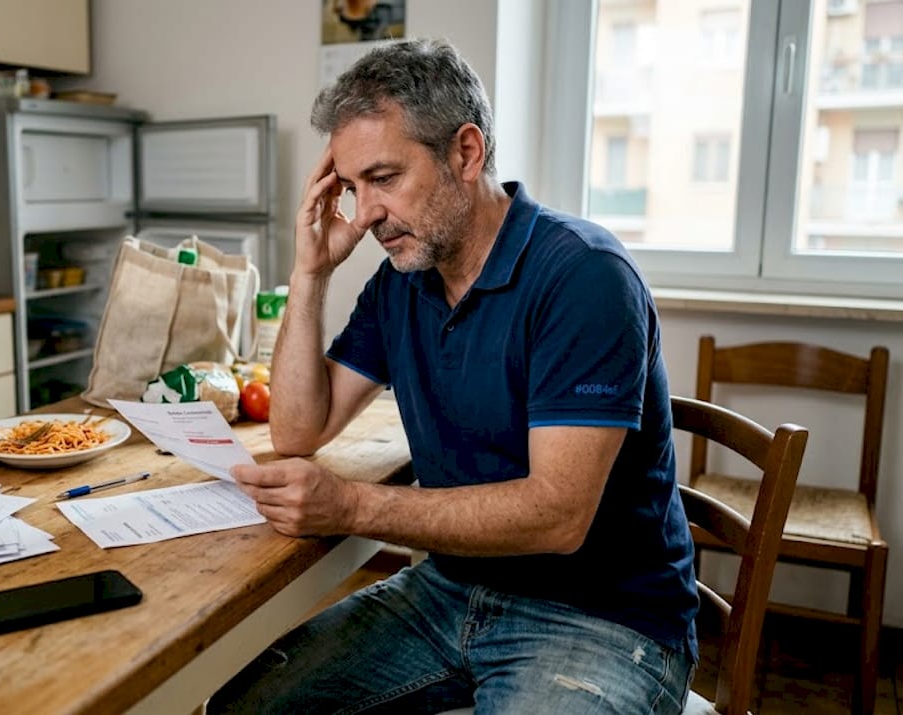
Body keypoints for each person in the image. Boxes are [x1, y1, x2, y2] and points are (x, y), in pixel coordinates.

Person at [209, 38, 698, 714]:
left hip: (602, 619)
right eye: (351, 188)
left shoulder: (585, 276)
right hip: (450, 591)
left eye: (383, 177)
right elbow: (298, 428)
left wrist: (353, 506)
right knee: (245, 707)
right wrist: (310, 271)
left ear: (466, 153)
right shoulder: (403, 281)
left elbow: (558, 516)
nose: (366, 212)